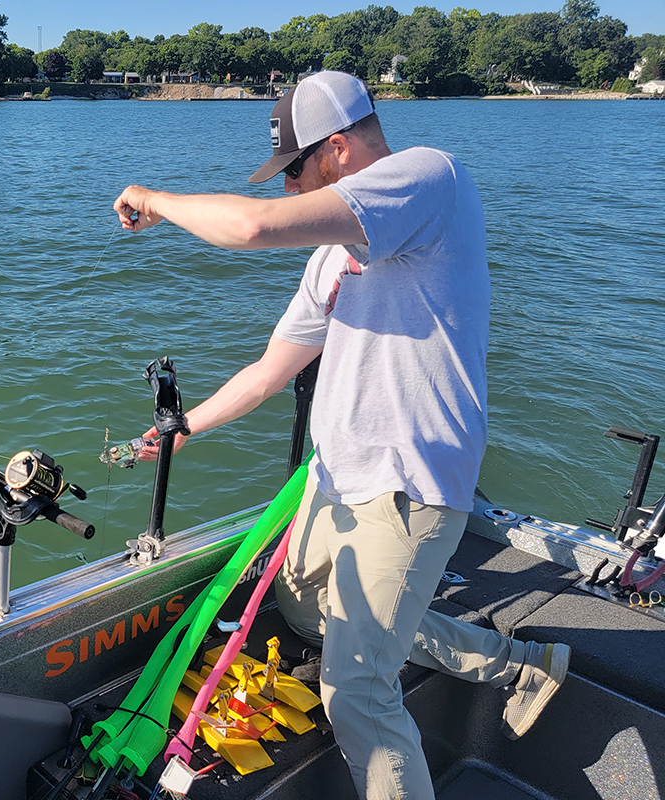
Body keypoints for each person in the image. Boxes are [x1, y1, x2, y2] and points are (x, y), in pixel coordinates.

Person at [114, 71, 570, 800]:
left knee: (354, 690)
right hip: (333, 483)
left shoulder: (428, 178)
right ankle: (517, 661)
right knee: (301, 612)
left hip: (409, 487)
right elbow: (270, 371)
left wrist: (158, 200)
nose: (291, 186)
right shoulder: (331, 259)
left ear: (337, 150)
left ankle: (486, 672)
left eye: (294, 169)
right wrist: (181, 428)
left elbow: (252, 227)